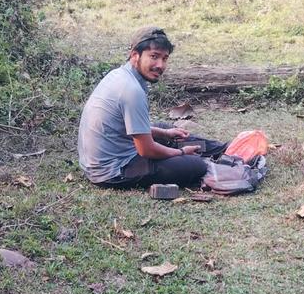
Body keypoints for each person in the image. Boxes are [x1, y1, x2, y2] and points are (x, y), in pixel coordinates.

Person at [78, 27, 226, 189]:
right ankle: (199, 152)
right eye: (154, 57)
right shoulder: (131, 90)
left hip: (101, 161)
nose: (160, 65)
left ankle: (223, 149)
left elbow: (125, 127)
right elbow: (146, 150)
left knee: (165, 129)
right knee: (197, 165)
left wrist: (165, 134)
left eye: (164, 58)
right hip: (112, 171)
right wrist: (181, 153)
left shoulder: (120, 75)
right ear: (135, 55)